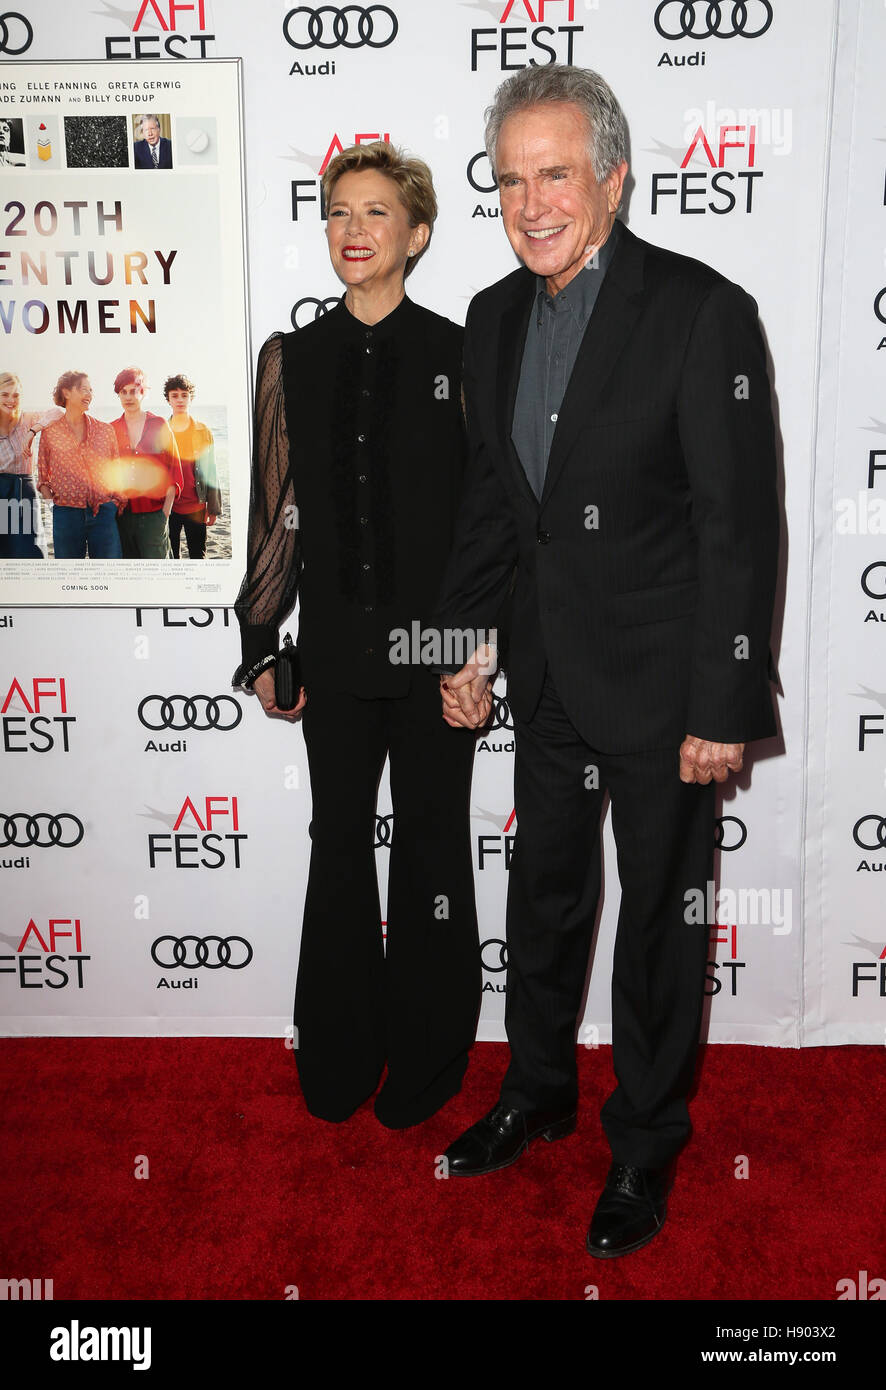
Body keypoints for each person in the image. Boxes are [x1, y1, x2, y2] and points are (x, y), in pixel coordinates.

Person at [434, 66, 779, 1258]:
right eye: (514, 177)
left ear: (614, 179)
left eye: (558, 174)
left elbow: (740, 521)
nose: (533, 202)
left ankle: (643, 1143)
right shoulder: (489, 318)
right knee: (544, 899)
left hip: (666, 689)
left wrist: (722, 701)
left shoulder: (698, 311)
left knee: (656, 926)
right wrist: (461, 641)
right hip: (544, 677)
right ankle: (535, 1092)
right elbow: (492, 504)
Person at [234, 141, 481, 1129]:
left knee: (432, 852)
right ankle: (338, 1056)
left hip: (432, 656)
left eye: (376, 213)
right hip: (332, 653)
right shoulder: (292, 359)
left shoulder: (461, 354)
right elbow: (274, 510)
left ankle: (428, 1060)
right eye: (339, 211)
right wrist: (261, 638)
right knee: (337, 847)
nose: (353, 230)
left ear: (416, 233)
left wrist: (472, 647)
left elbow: (483, 521)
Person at [36, 372, 124, 559]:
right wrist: (54, 506)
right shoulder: (50, 432)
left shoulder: (105, 430)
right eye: (84, 390)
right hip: (66, 515)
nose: (90, 395)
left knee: (109, 575)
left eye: (91, 391)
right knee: (68, 575)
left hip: (103, 512)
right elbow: (43, 476)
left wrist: (114, 504)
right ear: (66, 393)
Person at [111, 367, 182, 558]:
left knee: (158, 574)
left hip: (154, 515)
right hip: (122, 516)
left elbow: (174, 469)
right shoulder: (112, 429)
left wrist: (164, 513)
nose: (128, 397)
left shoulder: (159, 424)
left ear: (143, 393)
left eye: (133, 391)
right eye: (123, 392)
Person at [0, 372, 63, 559]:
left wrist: (32, 431)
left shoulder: (27, 418)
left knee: (30, 552)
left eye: (16, 395)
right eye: (5, 394)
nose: (11, 400)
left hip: (22, 492)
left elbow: (59, 412)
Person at [164, 374, 221, 559]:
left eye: (184, 395)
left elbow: (211, 469)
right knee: (171, 557)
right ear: (168, 399)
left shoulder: (202, 431)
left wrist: (213, 507)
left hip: (196, 505)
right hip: (169, 506)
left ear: (191, 398)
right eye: (175, 395)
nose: (180, 399)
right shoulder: (161, 430)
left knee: (198, 555)